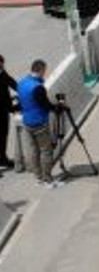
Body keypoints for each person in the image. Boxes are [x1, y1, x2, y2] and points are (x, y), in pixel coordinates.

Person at [15, 59, 60, 188]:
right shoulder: (38, 88)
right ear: (40, 70)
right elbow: (46, 106)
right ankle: (48, 179)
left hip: (26, 123)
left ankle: (38, 177)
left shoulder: (22, 83)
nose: (45, 73)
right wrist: (57, 107)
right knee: (46, 151)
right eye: (44, 71)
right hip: (39, 123)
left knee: (34, 151)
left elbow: (21, 102)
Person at [0, 54, 16, 171]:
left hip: (4, 110)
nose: (2, 66)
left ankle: (2, 158)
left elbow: (13, 84)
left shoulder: (2, 74)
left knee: (3, 135)